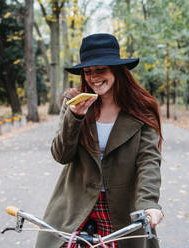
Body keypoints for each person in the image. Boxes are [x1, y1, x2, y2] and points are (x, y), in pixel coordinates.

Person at [35, 33, 163, 248]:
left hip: (122, 207)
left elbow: (149, 161)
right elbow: (61, 156)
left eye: (100, 70)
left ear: (117, 70)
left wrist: (149, 204)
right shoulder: (75, 102)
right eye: (87, 72)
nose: (93, 77)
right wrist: (74, 118)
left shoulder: (142, 109)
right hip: (76, 203)